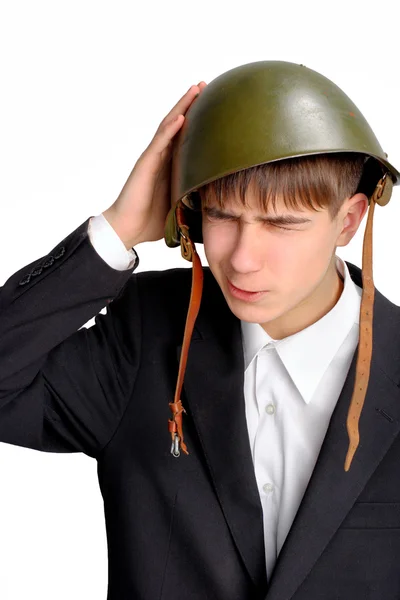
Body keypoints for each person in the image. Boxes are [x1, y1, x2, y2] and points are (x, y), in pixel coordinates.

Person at [1, 61, 399, 600]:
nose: (242, 259)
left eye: (282, 224)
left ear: (349, 220)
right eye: (222, 217)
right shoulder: (143, 340)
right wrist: (118, 229)